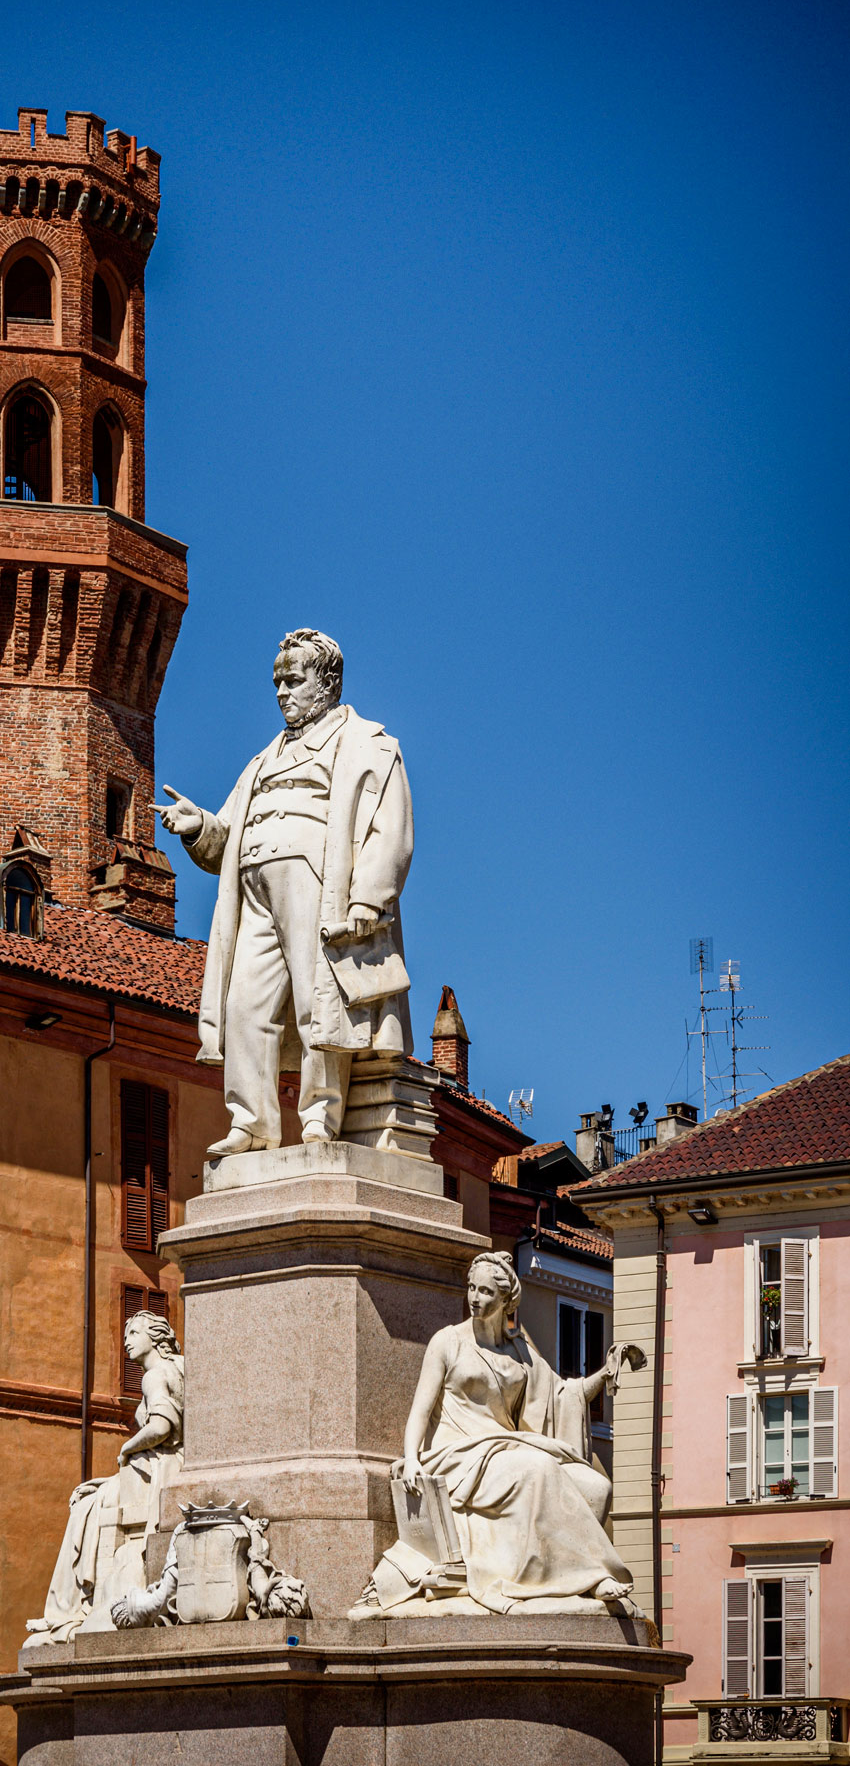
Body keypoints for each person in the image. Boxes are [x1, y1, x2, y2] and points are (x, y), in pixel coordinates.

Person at [158, 628, 413, 1155]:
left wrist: (367, 897)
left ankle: (320, 1118)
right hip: (252, 888)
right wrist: (198, 824)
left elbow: (390, 829)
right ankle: (251, 1124)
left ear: (327, 684)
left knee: (318, 1002)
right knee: (244, 1005)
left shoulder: (367, 743)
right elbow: (223, 838)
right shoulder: (262, 760)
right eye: (278, 682)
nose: (282, 692)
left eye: (293, 680)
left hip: (317, 885)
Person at [352, 1251, 643, 1617]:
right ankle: (591, 1576)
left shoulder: (519, 1350)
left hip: (507, 1449)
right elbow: (420, 1412)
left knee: (596, 1488)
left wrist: (605, 1372)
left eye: (486, 1291)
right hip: (458, 1455)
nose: (475, 1298)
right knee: (536, 1470)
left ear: (507, 1300)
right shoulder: (448, 1342)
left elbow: (561, 1396)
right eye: (471, 1288)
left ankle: (556, 1581)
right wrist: (411, 1459)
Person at [24, 1309, 184, 1645]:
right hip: (171, 1463)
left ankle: (68, 1610)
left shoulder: (154, 1375)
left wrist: (126, 1449)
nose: (126, 1342)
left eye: (133, 1334)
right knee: (96, 1493)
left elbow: (161, 1427)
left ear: (154, 1338)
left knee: (86, 1505)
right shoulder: (181, 1367)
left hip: (157, 1466)